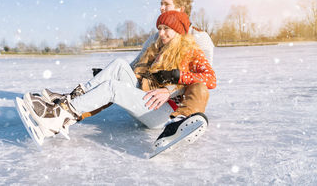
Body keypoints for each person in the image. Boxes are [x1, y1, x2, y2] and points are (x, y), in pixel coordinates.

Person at [21, 11, 216, 147]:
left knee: (112, 88)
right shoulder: (160, 48)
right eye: (160, 28)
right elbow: (138, 74)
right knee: (119, 65)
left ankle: (60, 116)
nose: (161, 33)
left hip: (163, 112)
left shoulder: (192, 52)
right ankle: (67, 104)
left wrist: (177, 79)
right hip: (147, 100)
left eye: (167, 28)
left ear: (179, 31)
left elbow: (210, 79)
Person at [43, 0, 214, 120]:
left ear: (181, 9)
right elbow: (136, 66)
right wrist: (106, 74)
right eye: (160, 4)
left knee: (113, 85)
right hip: (147, 93)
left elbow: (201, 81)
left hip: (169, 102)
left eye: (166, 4)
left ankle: (180, 122)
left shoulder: (198, 38)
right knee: (118, 66)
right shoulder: (157, 37)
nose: (161, 8)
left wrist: (169, 89)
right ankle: (71, 101)